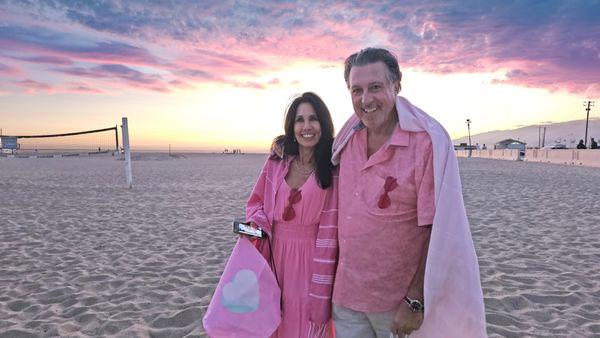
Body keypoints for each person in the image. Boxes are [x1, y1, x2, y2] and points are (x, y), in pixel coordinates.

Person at [331, 48, 486, 337]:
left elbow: (435, 228)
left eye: (375, 87)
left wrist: (414, 300)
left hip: (396, 306)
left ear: (397, 85)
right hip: (346, 298)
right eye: (357, 90)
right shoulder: (347, 138)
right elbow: (315, 167)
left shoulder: (424, 143)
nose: (365, 100)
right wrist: (285, 148)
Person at [246, 92, 338, 337]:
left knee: (306, 322)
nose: (306, 127)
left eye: (313, 119)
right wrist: (255, 224)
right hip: (275, 256)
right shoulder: (276, 162)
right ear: (291, 126)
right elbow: (256, 203)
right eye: (300, 120)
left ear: (323, 124)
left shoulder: (333, 167)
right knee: (275, 320)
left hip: (313, 259)